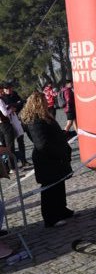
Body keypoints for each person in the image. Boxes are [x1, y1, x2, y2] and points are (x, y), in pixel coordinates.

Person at [20, 91, 74, 228]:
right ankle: (50, 217)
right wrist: (58, 152)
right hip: (46, 159)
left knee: (59, 184)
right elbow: (42, 144)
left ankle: (62, 210)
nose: (47, 103)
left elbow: (53, 135)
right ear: (38, 103)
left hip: (54, 157)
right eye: (44, 101)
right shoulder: (35, 121)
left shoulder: (44, 117)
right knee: (49, 189)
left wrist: (66, 135)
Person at [1, 81, 29, 168]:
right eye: (6, 88)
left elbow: (20, 103)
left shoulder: (15, 94)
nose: (9, 90)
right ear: (3, 90)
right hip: (7, 122)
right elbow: (5, 111)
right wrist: (11, 107)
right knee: (9, 144)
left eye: (10, 88)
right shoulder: (2, 98)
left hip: (16, 118)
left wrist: (15, 106)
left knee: (21, 140)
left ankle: (24, 161)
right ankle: (11, 165)